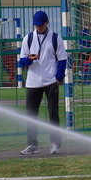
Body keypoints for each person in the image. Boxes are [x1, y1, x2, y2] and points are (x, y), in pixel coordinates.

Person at [17, 10, 69, 155]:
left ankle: (55, 143)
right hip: (33, 82)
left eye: (41, 25)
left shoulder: (55, 38)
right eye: (36, 25)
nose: (38, 28)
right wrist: (30, 59)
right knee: (31, 114)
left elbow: (62, 59)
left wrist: (58, 77)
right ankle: (32, 145)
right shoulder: (28, 38)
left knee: (53, 113)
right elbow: (22, 61)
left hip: (50, 81)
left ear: (47, 23)